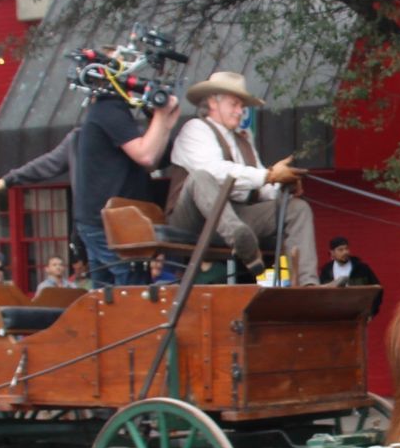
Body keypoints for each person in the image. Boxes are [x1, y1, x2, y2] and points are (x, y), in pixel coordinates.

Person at [167, 70, 315, 282]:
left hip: (234, 215)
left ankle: (307, 284)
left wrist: (284, 186)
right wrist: (270, 175)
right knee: (201, 177)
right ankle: (240, 238)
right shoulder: (195, 129)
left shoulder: (244, 140)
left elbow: (263, 188)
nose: (240, 111)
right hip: (193, 219)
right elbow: (216, 172)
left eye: (242, 106)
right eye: (234, 104)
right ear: (213, 102)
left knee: (297, 209)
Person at [73, 80, 183, 286]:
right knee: (131, 292)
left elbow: (153, 160)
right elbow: (146, 156)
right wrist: (161, 115)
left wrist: (164, 123)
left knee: (106, 296)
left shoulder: (106, 112)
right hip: (110, 223)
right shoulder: (108, 110)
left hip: (106, 221)